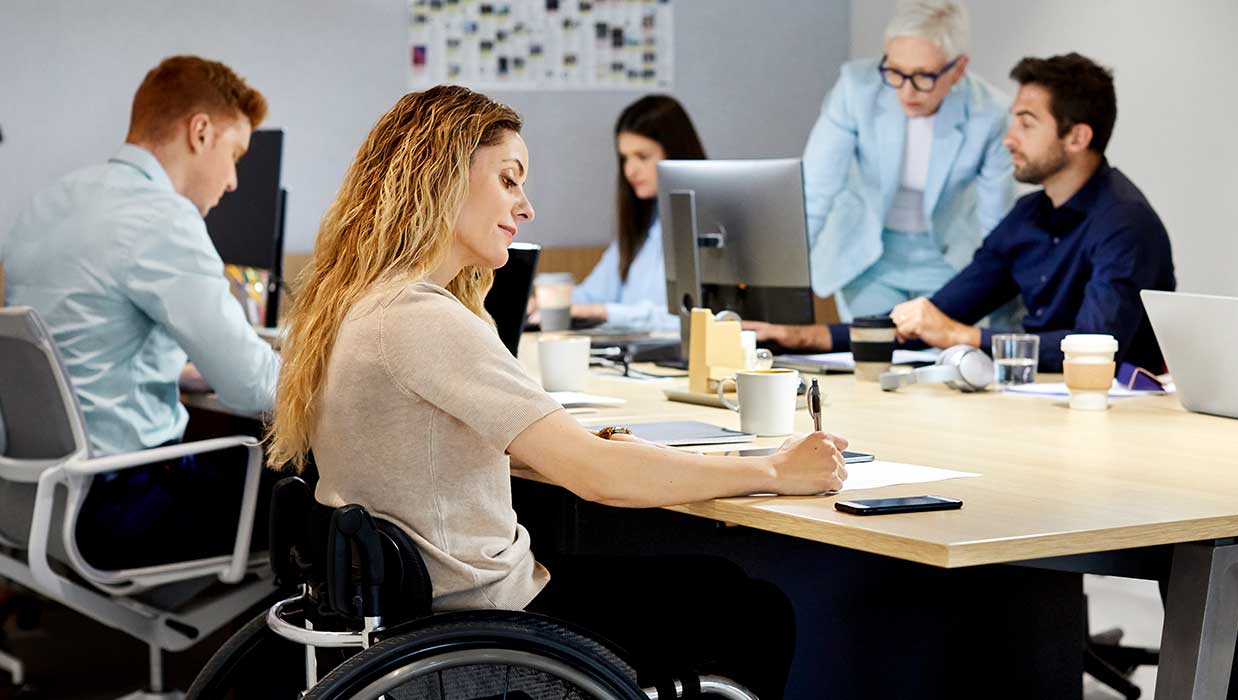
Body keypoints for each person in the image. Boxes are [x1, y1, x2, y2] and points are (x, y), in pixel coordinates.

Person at [268, 85, 848, 697]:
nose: (525, 207)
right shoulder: (423, 318)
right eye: (509, 180)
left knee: (719, 588)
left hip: (420, 611)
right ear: (440, 178)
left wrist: (560, 441)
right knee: (746, 606)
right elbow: (599, 478)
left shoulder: (355, 305)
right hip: (487, 622)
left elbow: (418, 447)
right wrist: (775, 471)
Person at [0, 55, 279, 570]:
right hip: (118, 508)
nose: (235, 180)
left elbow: (79, 348)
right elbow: (251, 385)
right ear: (200, 132)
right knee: (300, 493)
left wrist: (179, 371)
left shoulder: (49, 200)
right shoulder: (161, 217)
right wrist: (337, 377)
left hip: (31, 499)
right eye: (235, 153)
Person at [754, 53, 1176, 373]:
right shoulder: (1028, 215)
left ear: (1077, 137)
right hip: (1040, 400)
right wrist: (794, 337)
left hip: (1122, 414)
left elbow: (1095, 348)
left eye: (1027, 124)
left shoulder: (1124, 223)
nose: (1009, 139)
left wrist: (959, 336)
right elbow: (937, 315)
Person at [803, 0, 1013, 319]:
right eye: (895, 71)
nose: (906, 91)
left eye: (923, 76)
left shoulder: (990, 112)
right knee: (873, 356)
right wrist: (779, 277)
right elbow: (815, 190)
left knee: (946, 363)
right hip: (868, 256)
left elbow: (996, 221)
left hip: (950, 259)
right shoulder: (856, 88)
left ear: (957, 70)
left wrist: (1001, 312)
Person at [570, 94, 706, 332]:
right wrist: (548, 303)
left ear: (675, 152)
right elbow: (592, 295)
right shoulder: (643, 224)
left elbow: (689, 318)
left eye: (642, 157)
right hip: (632, 360)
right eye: (624, 158)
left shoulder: (708, 225)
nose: (629, 170)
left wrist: (606, 312)